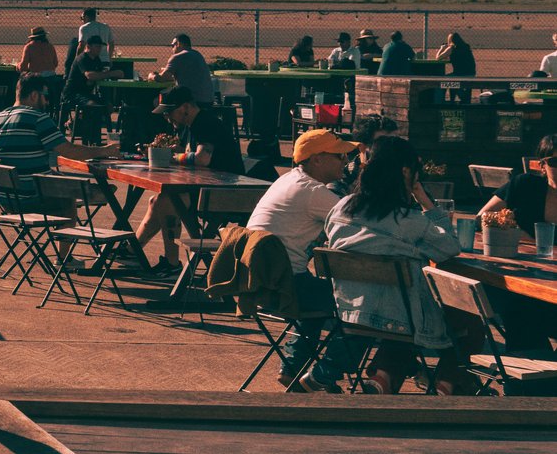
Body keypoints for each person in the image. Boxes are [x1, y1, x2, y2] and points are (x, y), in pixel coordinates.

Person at [304, 135, 467, 393]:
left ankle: (384, 383)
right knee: (468, 321)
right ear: (406, 172)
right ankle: (446, 385)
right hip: (400, 318)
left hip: (349, 312)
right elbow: (450, 248)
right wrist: (422, 196)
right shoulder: (410, 220)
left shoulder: (343, 206)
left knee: (399, 329)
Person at [247, 129, 358, 386]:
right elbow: (360, 225)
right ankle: (324, 374)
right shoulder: (313, 192)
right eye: (339, 155)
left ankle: (291, 368)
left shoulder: (289, 180)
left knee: (317, 297)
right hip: (284, 285)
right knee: (359, 303)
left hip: (262, 281)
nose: (345, 161)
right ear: (317, 159)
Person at [130, 86, 244, 274]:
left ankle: (172, 263)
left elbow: (202, 158)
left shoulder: (204, 123)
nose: (167, 117)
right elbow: (186, 152)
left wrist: (172, 158)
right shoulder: (189, 125)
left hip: (225, 193)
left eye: (169, 112)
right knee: (156, 201)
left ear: (185, 107)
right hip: (208, 187)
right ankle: (133, 250)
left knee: (168, 201)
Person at [0, 76, 66, 175]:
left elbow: (7, 160)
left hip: (2, 188)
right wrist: (89, 153)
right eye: (46, 96)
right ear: (34, 95)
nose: (47, 102)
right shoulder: (38, 118)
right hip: (33, 189)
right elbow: (66, 150)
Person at [477, 134, 557, 233]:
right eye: (555, 161)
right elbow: (481, 218)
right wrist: (513, 232)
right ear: (542, 166)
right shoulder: (524, 185)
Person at [154, 33, 215, 101]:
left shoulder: (177, 57)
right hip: (208, 100)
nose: (172, 49)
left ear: (179, 44)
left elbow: (162, 79)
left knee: (157, 100)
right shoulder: (197, 55)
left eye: (172, 45)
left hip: (192, 101)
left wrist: (152, 76)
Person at [17, 27, 60, 107]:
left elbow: (23, 67)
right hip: (51, 77)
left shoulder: (29, 46)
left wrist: (18, 65)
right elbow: (55, 63)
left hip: (36, 78)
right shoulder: (50, 46)